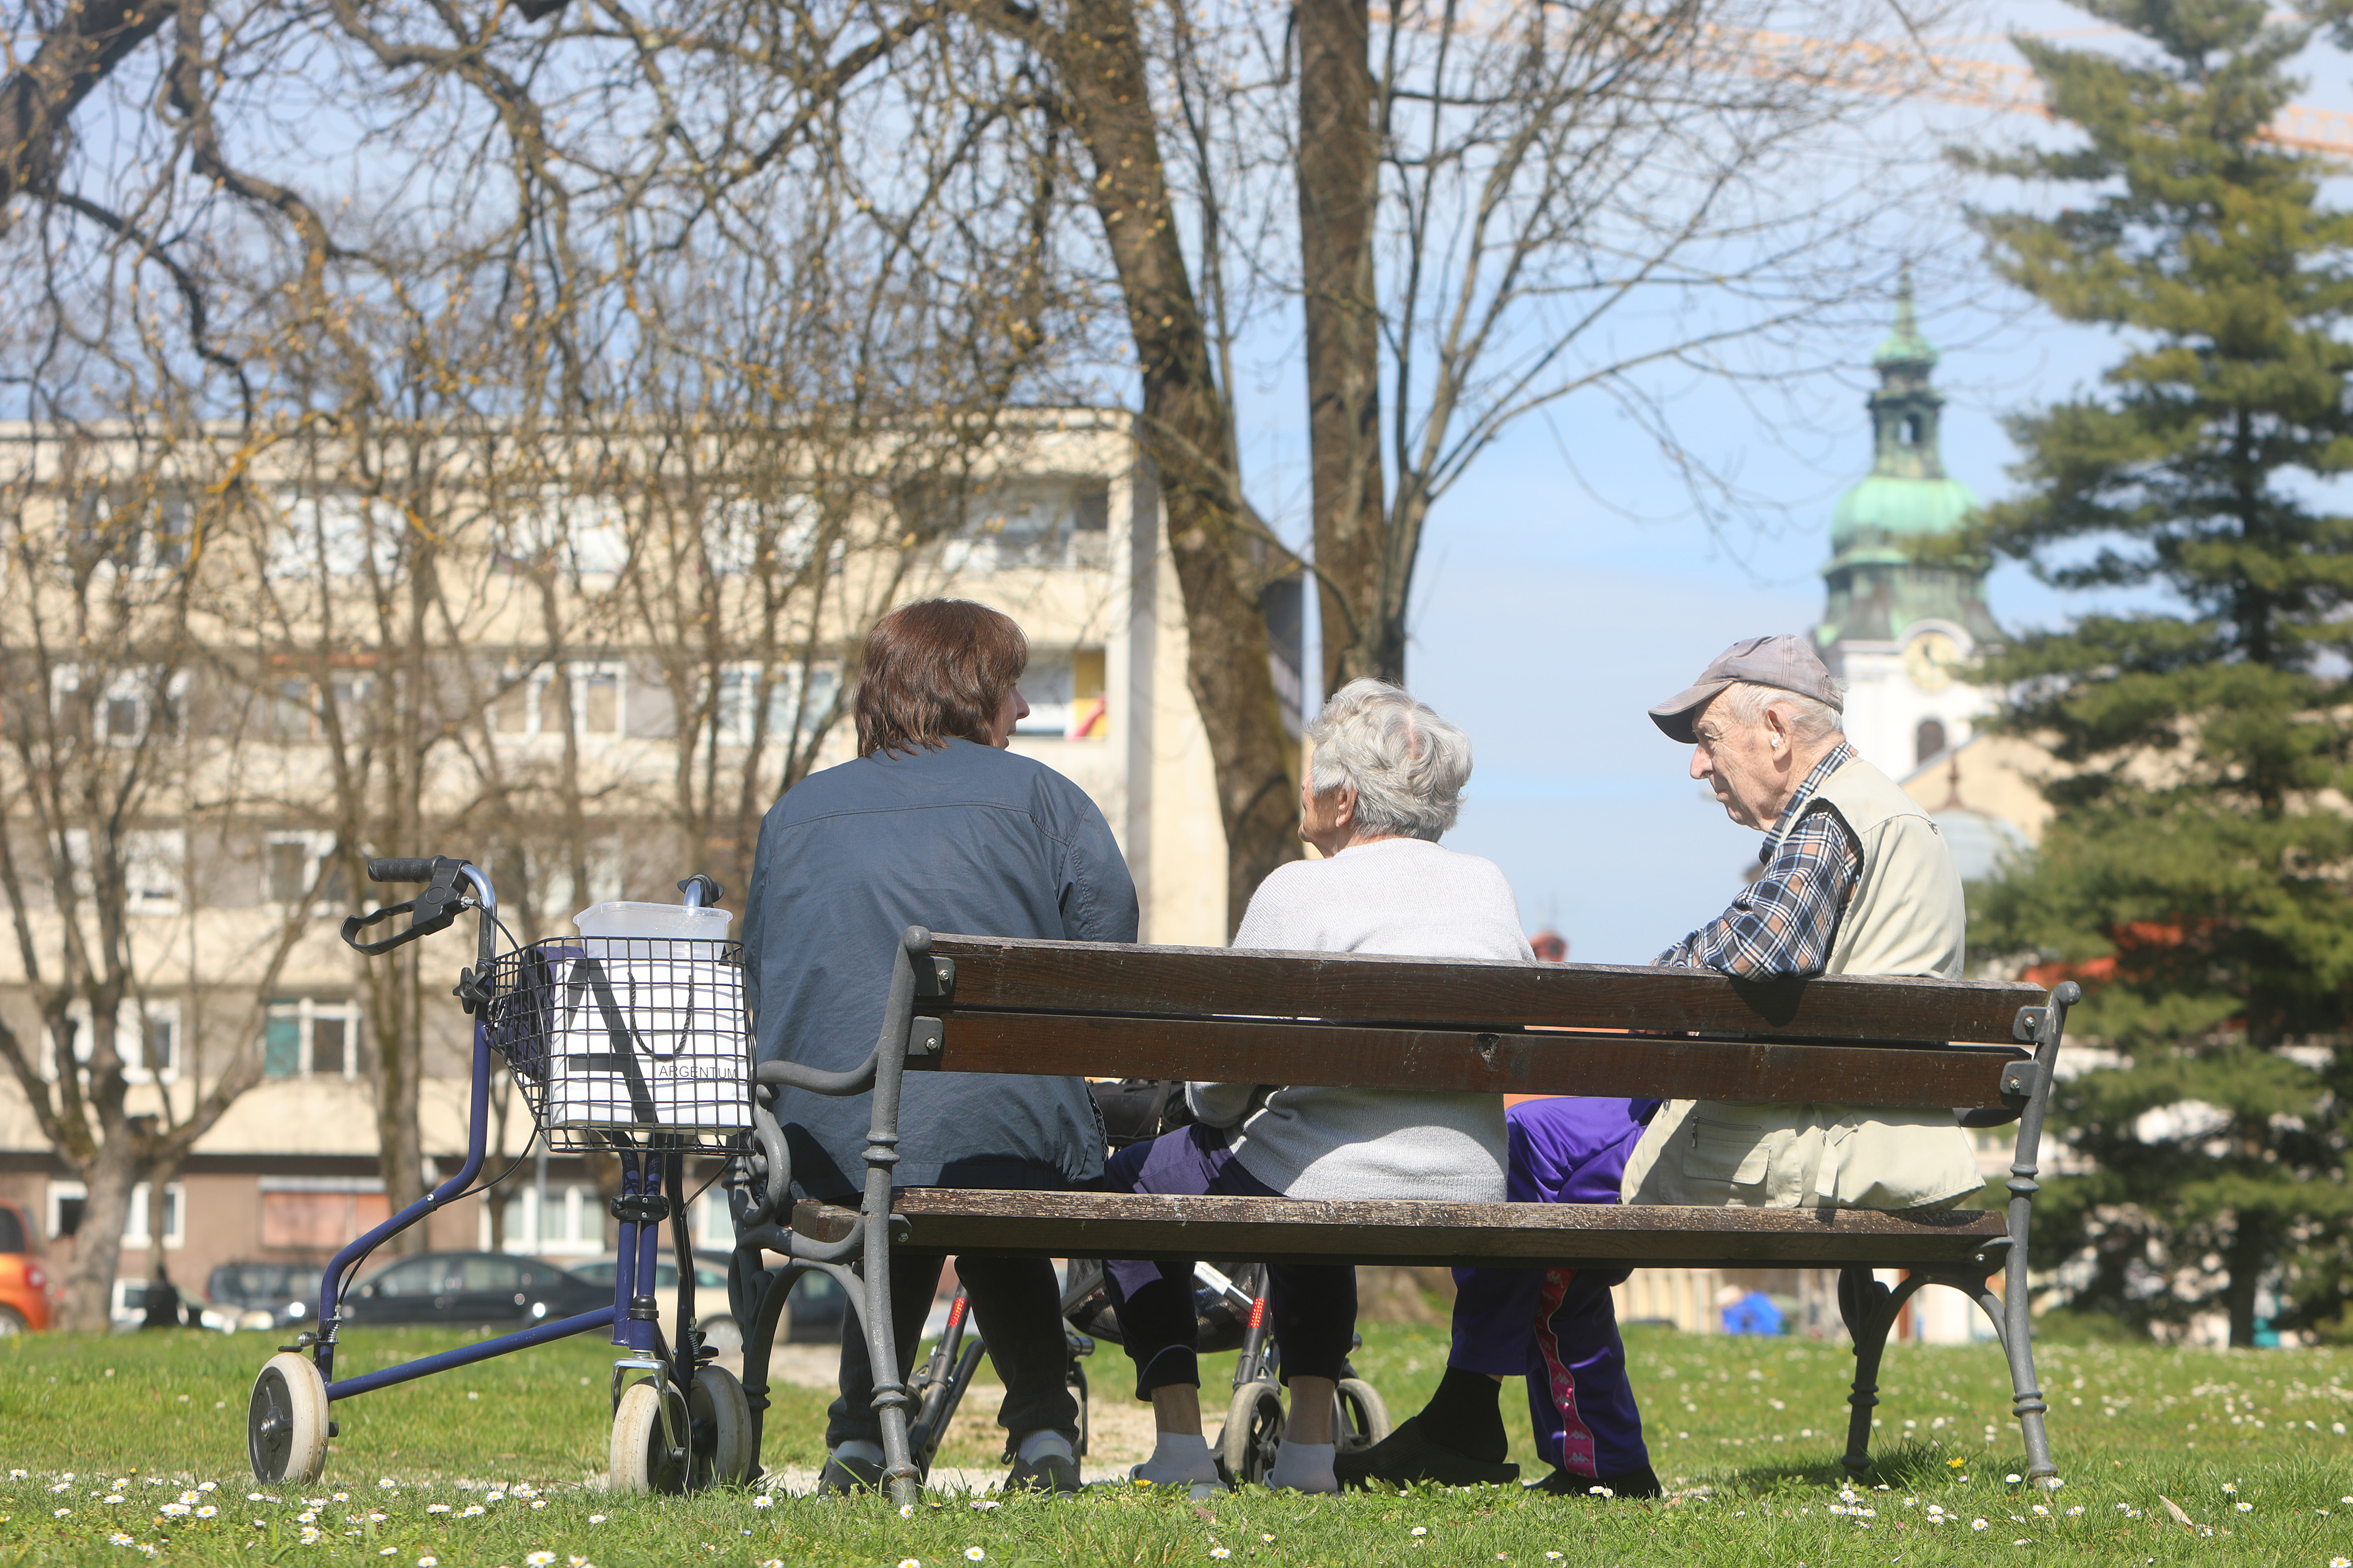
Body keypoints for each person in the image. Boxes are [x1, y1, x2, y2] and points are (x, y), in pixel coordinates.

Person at [1339, 633, 1982, 1497]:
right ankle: (1480, 1416)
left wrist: (1651, 985)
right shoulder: (1875, 814)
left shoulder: (1832, 822)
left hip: (1814, 1138)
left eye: (1708, 739)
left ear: (1778, 728)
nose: (1697, 767)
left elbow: (1755, 951)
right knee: (1527, 1141)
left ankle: (1525, 1433)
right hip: (1836, 1117)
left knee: (1527, 1163)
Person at [740, 599, 1139, 1496]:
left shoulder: (798, 813)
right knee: (966, 1152)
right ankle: (1042, 1428)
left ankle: (858, 1436)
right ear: (973, 691)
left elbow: (761, 972)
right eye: (1013, 687)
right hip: (1011, 1135)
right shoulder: (1047, 800)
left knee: (906, 1157)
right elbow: (1108, 959)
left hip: (832, 1139)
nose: (1026, 712)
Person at [1098, 679, 1528, 1497]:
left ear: (1343, 797)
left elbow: (1223, 1078)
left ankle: (1183, 1448)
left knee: (1132, 1191)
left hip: (1318, 1167)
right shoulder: (1488, 887)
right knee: (1308, 1181)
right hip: (1470, 1175)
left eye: (1312, 776)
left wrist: (1213, 1112)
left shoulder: (1298, 889)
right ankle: (1305, 1455)